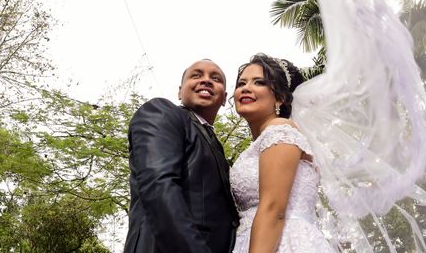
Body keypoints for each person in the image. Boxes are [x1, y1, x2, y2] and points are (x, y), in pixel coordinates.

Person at [123, 59, 239, 253]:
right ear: (180, 91)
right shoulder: (162, 112)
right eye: (196, 75)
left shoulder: (214, 143)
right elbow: (159, 186)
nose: (206, 81)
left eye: (215, 78)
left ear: (224, 97)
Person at [230, 53, 334, 252]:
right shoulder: (262, 141)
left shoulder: (280, 130)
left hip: (283, 242)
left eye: (259, 82)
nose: (246, 88)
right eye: (241, 83)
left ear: (280, 97)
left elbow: (274, 209)